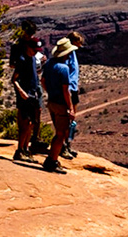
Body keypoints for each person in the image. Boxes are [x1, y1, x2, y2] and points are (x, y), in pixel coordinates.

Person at [8, 21, 45, 163]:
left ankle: (26, 149)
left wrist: (39, 64)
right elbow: (14, 75)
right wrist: (21, 91)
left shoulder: (31, 55)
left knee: (31, 122)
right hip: (25, 89)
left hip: (33, 89)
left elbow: (36, 70)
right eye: (28, 33)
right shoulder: (21, 53)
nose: (30, 35)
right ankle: (20, 150)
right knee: (25, 122)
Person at [41, 37, 77, 173]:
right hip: (61, 104)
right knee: (61, 134)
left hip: (51, 102)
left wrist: (50, 91)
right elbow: (65, 90)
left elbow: (43, 80)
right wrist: (71, 108)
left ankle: (52, 159)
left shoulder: (49, 64)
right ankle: (52, 161)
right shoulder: (64, 68)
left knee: (58, 131)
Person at [63, 31, 85, 159]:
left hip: (73, 88)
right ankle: (64, 146)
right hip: (70, 89)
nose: (79, 46)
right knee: (68, 118)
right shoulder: (67, 54)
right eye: (78, 43)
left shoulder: (73, 53)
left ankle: (68, 145)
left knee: (71, 120)